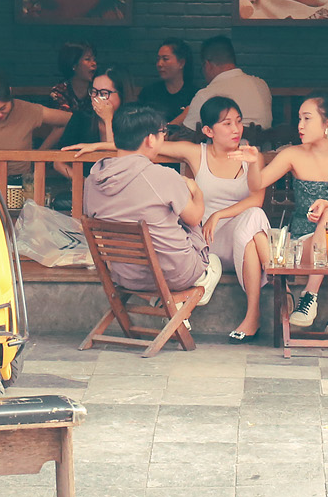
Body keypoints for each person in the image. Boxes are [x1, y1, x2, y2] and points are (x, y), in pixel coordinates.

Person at [243, 92, 328, 347]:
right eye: (299, 118)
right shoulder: (293, 154)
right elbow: (257, 184)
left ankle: (311, 297)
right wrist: (255, 161)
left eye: (307, 118)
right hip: (302, 244)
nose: (300, 125)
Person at [149, 96, 273, 341]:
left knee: (253, 221)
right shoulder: (197, 153)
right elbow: (146, 146)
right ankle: (281, 282)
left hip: (242, 237)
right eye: (227, 124)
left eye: (239, 121)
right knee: (254, 230)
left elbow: (256, 200)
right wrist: (99, 144)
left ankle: (253, 315)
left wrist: (219, 214)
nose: (236, 129)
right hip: (210, 244)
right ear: (208, 130)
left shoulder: (251, 156)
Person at [81, 103, 223, 302]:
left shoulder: (93, 180)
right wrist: (196, 191)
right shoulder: (162, 176)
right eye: (162, 132)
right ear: (149, 139)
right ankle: (178, 301)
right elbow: (194, 218)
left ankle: (164, 301)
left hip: (126, 276)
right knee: (213, 261)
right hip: (173, 275)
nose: (164, 137)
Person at [182, 35, 272, 130]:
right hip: (266, 144)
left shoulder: (206, 95)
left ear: (207, 65)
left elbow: (187, 134)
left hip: (226, 145)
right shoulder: (261, 85)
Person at [138, 39, 200, 124]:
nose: (159, 64)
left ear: (181, 63)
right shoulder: (149, 92)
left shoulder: (195, 95)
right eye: (158, 59)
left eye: (165, 59)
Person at [47, 40, 98, 115]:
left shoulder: (99, 90)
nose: (94, 63)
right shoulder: (59, 92)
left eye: (94, 59)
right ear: (73, 64)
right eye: (88, 59)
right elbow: (64, 121)